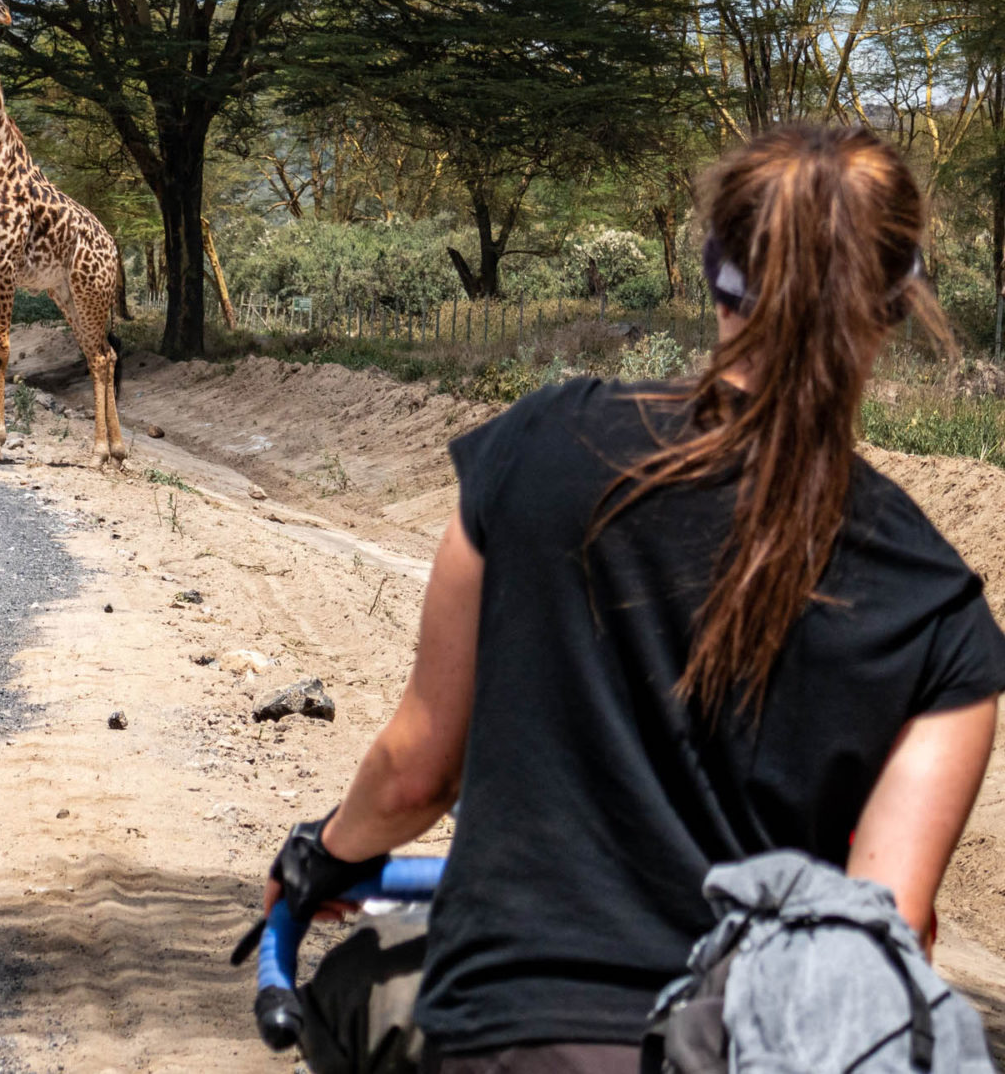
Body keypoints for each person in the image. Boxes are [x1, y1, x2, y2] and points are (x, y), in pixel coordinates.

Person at [263, 123, 1005, 1073]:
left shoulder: (542, 448)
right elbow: (878, 936)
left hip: (504, 1035)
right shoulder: (937, 598)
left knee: (352, 1002)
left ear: (712, 269)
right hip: (735, 1049)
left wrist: (322, 855)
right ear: (899, 302)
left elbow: (417, 771)